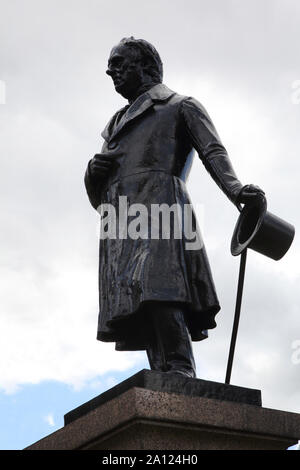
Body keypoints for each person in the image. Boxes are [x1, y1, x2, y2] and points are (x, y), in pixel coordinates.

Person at [84, 37, 265, 378]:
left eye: (121, 63)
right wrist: (92, 175)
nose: (112, 71)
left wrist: (236, 189)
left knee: (160, 286)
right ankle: (162, 369)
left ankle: (181, 367)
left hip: (161, 205)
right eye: (111, 65)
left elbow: (213, 152)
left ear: (147, 67)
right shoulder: (114, 124)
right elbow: (98, 195)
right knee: (136, 296)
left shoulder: (180, 106)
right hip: (121, 217)